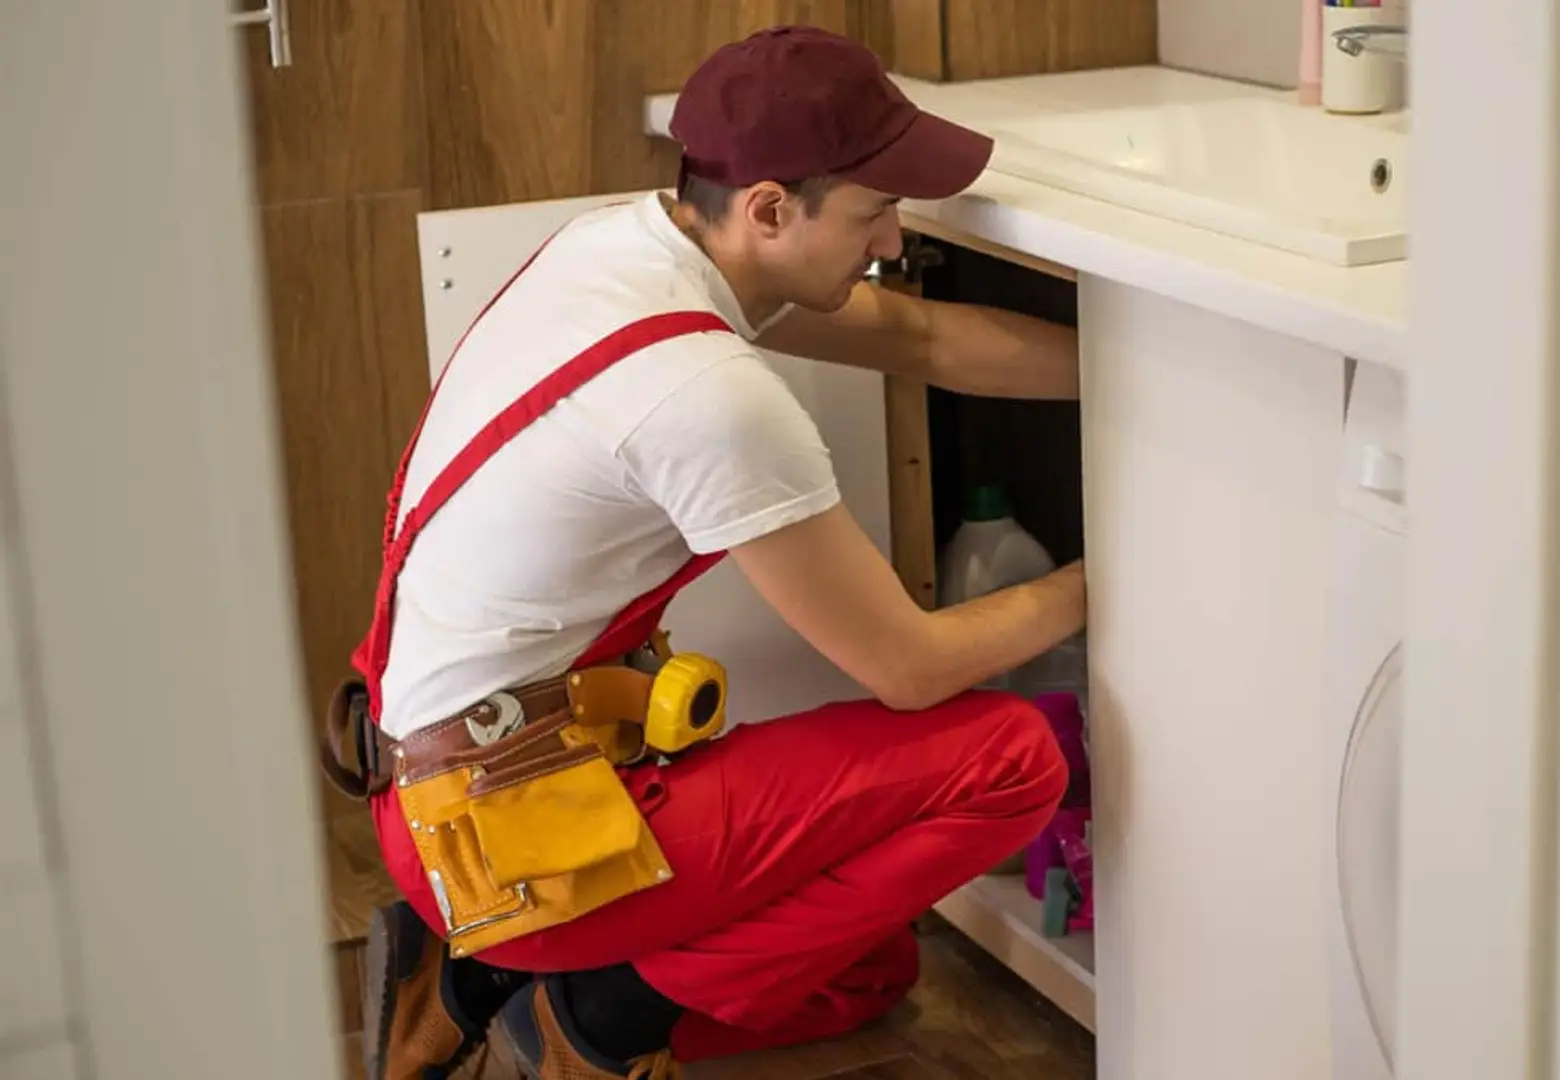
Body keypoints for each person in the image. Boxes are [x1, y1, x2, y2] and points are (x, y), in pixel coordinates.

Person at [323, 24, 1087, 1080]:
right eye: (874, 211)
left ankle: (470, 981)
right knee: (1010, 762)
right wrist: (1115, 578)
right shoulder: (705, 397)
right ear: (772, 208)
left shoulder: (626, 248)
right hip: (503, 819)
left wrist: (1140, 376)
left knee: (868, 977)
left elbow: (924, 340)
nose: (893, 240)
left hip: (444, 767)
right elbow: (909, 669)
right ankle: (594, 1012)